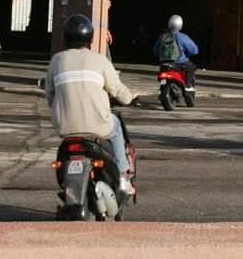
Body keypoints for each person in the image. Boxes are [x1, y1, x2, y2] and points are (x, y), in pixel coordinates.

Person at [46, 14, 137, 194]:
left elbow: (50, 94)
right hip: (98, 127)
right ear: (90, 38)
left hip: (65, 127)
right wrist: (130, 97)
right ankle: (122, 177)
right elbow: (118, 90)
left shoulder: (56, 60)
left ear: (65, 36)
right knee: (117, 126)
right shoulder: (100, 60)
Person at [152, 14, 200, 89]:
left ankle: (162, 86)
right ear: (180, 24)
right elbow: (195, 50)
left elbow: (155, 50)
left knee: (162, 75)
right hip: (180, 63)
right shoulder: (182, 36)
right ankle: (187, 86)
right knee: (192, 68)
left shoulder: (162, 36)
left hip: (164, 63)